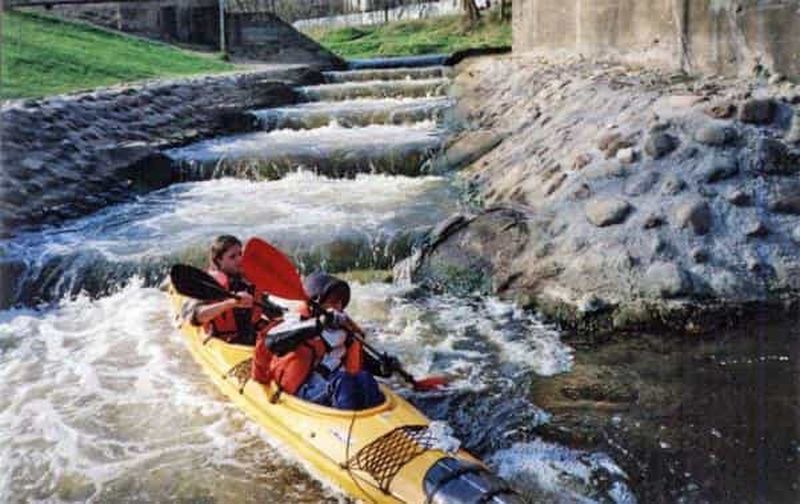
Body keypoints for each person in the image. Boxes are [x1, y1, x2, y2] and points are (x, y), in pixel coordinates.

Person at [263, 272, 389, 410]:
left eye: (341, 302)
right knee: (342, 383)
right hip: (304, 388)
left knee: (365, 378)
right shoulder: (297, 322)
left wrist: (382, 368)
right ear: (316, 303)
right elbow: (271, 342)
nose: (339, 306)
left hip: (333, 382)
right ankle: (347, 423)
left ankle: (375, 420)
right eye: (333, 301)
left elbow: (361, 359)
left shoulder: (342, 328)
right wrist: (318, 324)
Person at [187, 235, 266, 346]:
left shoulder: (248, 280)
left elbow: (263, 306)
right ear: (219, 261)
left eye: (240, 254)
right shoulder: (210, 284)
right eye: (232, 257)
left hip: (250, 337)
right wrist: (230, 303)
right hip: (223, 341)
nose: (239, 259)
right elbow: (194, 317)